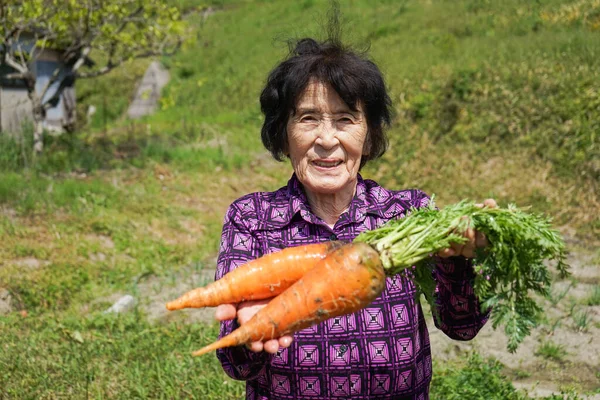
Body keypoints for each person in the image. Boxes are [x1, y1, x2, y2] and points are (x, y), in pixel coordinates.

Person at [213, 35, 494, 400]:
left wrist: (459, 264)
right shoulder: (250, 220)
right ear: (283, 135)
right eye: (308, 118)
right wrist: (250, 332)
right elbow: (236, 367)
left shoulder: (409, 215)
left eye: (345, 119)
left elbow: (463, 327)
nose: (327, 139)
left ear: (369, 133)